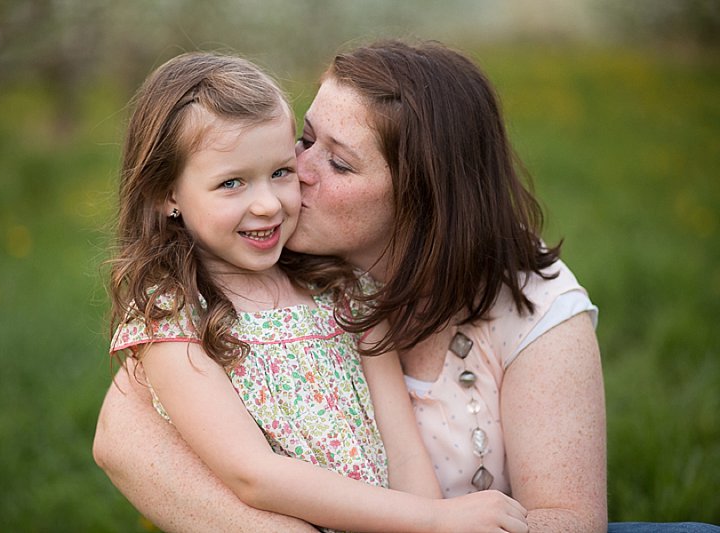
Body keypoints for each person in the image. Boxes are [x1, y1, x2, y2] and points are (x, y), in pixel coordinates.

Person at [94, 41, 720, 533]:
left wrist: (432, 525)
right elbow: (125, 440)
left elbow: (564, 520)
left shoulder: (363, 298)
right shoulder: (212, 292)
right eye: (304, 142)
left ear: (423, 199)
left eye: (334, 162)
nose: (292, 183)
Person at [105, 50, 529, 533]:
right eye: (232, 183)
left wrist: (428, 524)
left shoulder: (343, 289)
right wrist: (432, 519)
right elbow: (252, 475)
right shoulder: (173, 315)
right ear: (168, 195)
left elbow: (404, 447)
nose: (267, 204)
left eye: (281, 171)